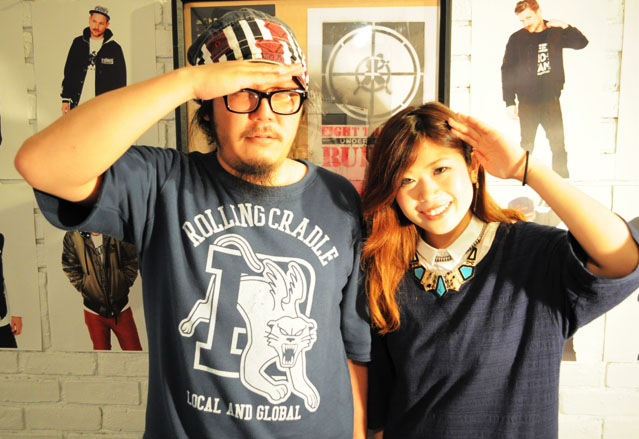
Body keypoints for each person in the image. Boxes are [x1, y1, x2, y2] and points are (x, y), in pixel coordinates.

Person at [15, 8, 369, 439]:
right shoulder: (163, 184)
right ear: (208, 108)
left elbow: (354, 346)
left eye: (283, 95)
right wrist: (188, 82)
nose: (264, 115)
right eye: (242, 94)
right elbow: (40, 163)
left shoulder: (338, 197)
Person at [361, 102, 639, 438]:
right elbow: (381, 410)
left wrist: (525, 168)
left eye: (440, 169)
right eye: (406, 180)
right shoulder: (385, 269)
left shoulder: (533, 254)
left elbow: (622, 259)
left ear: (472, 167)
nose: (428, 193)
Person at [501, 0, 588, 178]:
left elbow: (581, 43)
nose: (526, 23)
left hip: (551, 100)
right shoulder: (517, 38)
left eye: (529, 18)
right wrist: (509, 101)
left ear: (539, 12)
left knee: (558, 145)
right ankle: (523, 179)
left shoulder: (554, 32)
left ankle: (562, 182)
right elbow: (507, 70)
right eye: (522, 20)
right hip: (527, 102)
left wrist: (565, 26)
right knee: (526, 144)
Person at [62, 231, 142, 351]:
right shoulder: (73, 236)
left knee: (135, 353)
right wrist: (85, 287)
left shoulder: (116, 230)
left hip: (121, 309)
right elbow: (69, 266)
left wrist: (123, 283)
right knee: (102, 358)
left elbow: (132, 259)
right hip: (93, 312)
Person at [61, 5, 126, 114]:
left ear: (107, 25)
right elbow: (69, 72)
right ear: (89, 20)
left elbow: (120, 81)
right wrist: (65, 99)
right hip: (78, 103)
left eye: (101, 23)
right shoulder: (78, 44)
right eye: (94, 21)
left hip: (103, 107)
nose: (96, 26)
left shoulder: (114, 49)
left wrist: (117, 106)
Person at [0, 233, 23, 348]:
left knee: (11, 356)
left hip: (1, 320)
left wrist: (16, 313)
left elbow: (8, 277)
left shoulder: (0, 240)